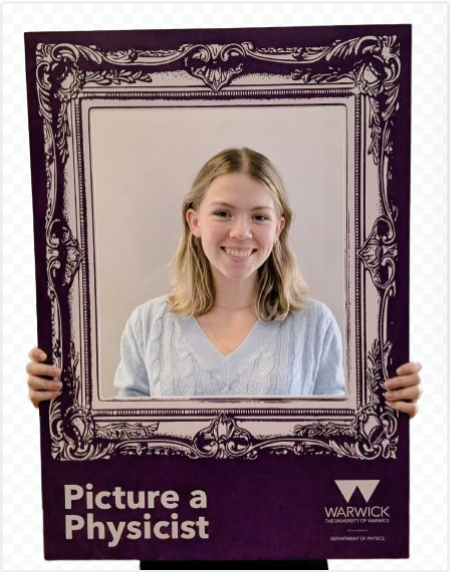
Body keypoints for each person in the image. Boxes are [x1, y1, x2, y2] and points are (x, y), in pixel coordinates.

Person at [26, 148, 422, 569]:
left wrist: (388, 408)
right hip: (175, 545)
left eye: (259, 216)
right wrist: (58, 401)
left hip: (289, 548)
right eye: (223, 213)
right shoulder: (148, 324)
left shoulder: (314, 324)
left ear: (279, 227)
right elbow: (125, 451)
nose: (241, 231)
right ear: (194, 221)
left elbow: (337, 449)